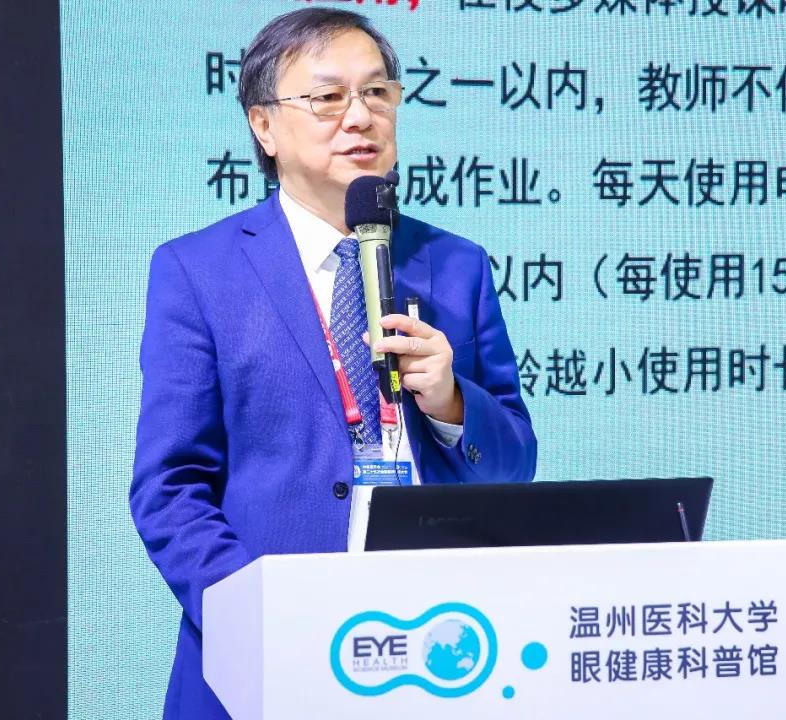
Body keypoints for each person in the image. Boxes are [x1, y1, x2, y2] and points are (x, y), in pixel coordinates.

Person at [130, 8, 537, 719]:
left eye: (378, 93)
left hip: (441, 652)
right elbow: (170, 488)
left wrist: (451, 403)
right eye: (328, 97)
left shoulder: (455, 265)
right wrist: (262, 612)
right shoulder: (199, 272)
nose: (361, 117)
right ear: (264, 125)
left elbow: (513, 465)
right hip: (265, 662)